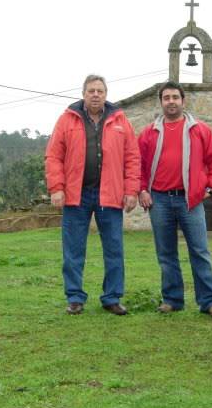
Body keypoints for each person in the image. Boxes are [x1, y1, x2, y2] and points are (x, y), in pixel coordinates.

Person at [45, 74, 140, 315]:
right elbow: (53, 156)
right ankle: (75, 298)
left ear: (106, 94)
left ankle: (112, 297)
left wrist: (131, 190)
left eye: (100, 90)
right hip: (76, 195)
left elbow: (132, 157)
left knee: (114, 249)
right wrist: (57, 188)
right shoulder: (67, 119)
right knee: (73, 250)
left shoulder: (120, 120)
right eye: (91, 91)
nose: (95, 94)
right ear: (83, 94)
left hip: (110, 195)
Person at [138, 80, 212, 318]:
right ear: (161, 102)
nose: (171, 102)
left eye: (175, 97)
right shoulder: (149, 133)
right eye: (166, 98)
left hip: (190, 201)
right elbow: (138, 165)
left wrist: (209, 189)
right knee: (166, 254)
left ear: (183, 101)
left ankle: (210, 302)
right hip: (158, 201)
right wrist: (141, 190)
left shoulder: (199, 130)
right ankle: (172, 300)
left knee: (199, 251)